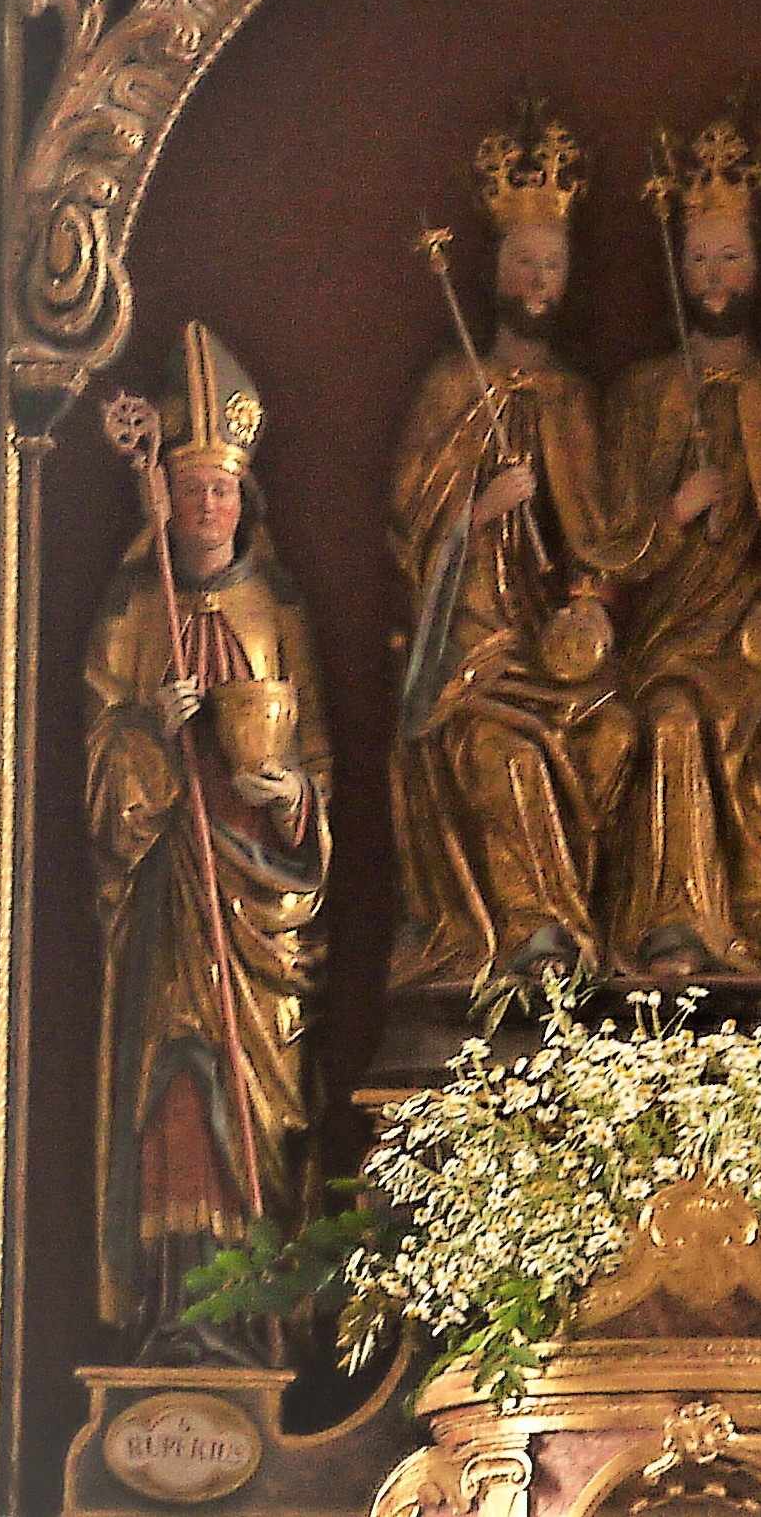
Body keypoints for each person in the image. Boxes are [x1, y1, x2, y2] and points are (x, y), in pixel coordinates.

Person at [87, 322, 331, 1361]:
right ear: (171, 502)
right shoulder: (139, 608)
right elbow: (100, 760)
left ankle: (263, 1314)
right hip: (171, 891)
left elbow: (316, 755)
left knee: (263, 1104)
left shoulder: (278, 608)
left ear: (245, 500)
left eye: (223, 491)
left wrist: (293, 801)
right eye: (190, 491)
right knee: (179, 1088)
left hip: (261, 900)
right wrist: (153, 719)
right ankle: (183, 1318)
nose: (207, 508)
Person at [389, 107, 640, 984]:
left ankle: (617, 951)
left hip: (554, 651)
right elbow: (409, 523)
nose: (537, 281)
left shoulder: (573, 398)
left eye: (553, 267)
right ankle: (540, 940)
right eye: (523, 264)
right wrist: (478, 507)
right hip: (473, 647)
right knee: (510, 756)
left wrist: (590, 605)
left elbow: (604, 533)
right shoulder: (451, 384)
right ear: (495, 272)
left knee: (613, 732)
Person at [604, 103, 761, 974]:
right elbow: (608, 539)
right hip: (670, 634)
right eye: (698, 258)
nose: (714, 275)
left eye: (730, 256)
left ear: (759, 267)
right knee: (670, 720)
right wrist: (675, 510)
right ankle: (678, 926)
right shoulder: (644, 394)